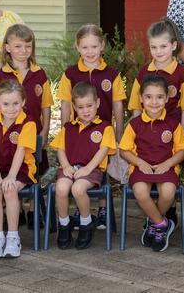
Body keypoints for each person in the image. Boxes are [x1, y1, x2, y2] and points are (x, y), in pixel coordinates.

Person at [56, 24, 126, 229]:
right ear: (77, 48)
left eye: (94, 46)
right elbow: (66, 105)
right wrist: (65, 131)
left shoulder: (111, 74)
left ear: (102, 46)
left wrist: (118, 133)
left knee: (101, 171)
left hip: (102, 133)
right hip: (78, 134)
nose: (90, 52)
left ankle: (103, 210)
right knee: (80, 168)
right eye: (85, 47)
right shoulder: (70, 74)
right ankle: (81, 209)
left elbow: (117, 104)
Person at [119, 75, 184, 252]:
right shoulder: (134, 124)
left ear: (166, 98)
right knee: (141, 191)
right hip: (141, 166)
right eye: (148, 97)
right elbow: (124, 150)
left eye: (159, 97)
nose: (154, 102)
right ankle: (162, 224)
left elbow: (182, 150)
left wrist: (169, 163)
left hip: (166, 166)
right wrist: (138, 162)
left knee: (168, 192)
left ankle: (153, 222)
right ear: (141, 98)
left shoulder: (173, 124)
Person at [0, 24, 53, 228]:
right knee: (11, 168)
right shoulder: (0, 75)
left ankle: (32, 210)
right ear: (7, 48)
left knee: (33, 171)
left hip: (34, 134)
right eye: (18, 46)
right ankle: (16, 210)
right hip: (8, 138)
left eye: (28, 46)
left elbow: (46, 105)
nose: (23, 51)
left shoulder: (39, 74)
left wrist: (45, 131)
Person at [50, 82, 116, 249]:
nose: (85, 111)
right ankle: (64, 225)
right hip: (70, 168)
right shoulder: (68, 128)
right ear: (74, 107)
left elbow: (103, 151)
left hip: (92, 171)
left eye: (89, 106)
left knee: (78, 189)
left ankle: (86, 224)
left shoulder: (105, 127)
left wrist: (87, 169)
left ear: (97, 104)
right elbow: (60, 149)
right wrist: (65, 166)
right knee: (61, 188)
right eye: (80, 107)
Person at [0, 80, 37, 258]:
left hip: (21, 169)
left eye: (16, 103)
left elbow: (21, 151)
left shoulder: (28, 122)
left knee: (10, 189)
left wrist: (11, 177)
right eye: (6, 104)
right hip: (0, 168)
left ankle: (13, 237)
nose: (11, 108)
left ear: (23, 102)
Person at [128, 17, 184, 132]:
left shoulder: (182, 73)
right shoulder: (143, 72)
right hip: (147, 130)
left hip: (172, 131)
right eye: (153, 47)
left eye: (163, 46)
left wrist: (181, 133)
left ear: (173, 46)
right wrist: (136, 132)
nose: (158, 52)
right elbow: (136, 106)